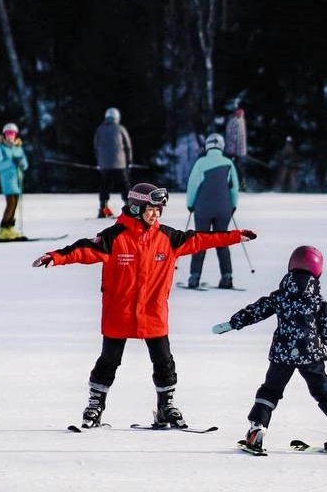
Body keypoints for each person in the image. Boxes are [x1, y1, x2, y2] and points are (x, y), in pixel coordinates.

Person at [31, 182, 258, 430]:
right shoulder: (114, 237)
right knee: (109, 361)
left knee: (164, 361)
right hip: (120, 313)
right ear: (137, 207)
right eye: (151, 209)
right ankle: (96, 404)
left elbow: (202, 239)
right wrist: (55, 256)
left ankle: (166, 406)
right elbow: (83, 249)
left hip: (153, 313)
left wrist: (236, 236)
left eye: (159, 210)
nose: (156, 214)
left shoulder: (168, 238)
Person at [211, 245, 327, 454]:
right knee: (325, 392)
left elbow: (257, 310)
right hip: (311, 356)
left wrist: (234, 323)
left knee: (270, 391)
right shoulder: (318, 301)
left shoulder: (280, 296)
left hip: (282, 354)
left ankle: (257, 429)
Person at [186, 133, 240, 289]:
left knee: (200, 241)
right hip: (224, 208)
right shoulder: (229, 163)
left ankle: (194, 277)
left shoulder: (201, 163)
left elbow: (192, 186)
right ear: (222, 146)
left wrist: (190, 204)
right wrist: (233, 205)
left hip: (203, 208)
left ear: (207, 146)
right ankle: (227, 277)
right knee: (222, 241)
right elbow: (234, 188)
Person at [0, 122, 28, 241]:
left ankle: (10, 229)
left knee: (15, 204)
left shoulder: (18, 148)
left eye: (12, 133)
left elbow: (25, 164)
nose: (10, 136)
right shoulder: (0, 149)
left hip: (17, 181)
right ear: (4, 135)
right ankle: (3, 229)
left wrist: (21, 164)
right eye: (7, 133)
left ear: (15, 135)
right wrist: (11, 162)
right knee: (10, 203)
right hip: (7, 181)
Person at [94, 107, 133, 218]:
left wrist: (99, 163)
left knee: (104, 186)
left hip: (104, 165)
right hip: (120, 164)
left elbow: (96, 147)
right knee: (125, 186)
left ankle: (103, 209)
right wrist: (129, 162)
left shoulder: (99, 129)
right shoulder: (120, 129)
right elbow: (128, 147)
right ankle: (129, 209)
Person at [224, 100, 248, 191]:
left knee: (237, 168)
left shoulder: (236, 119)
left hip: (235, 150)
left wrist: (232, 151)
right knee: (237, 168)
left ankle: (241, 185)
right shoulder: (234, 118)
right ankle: (237, 184)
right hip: (234, 149)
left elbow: (235, 136)